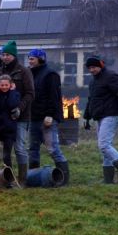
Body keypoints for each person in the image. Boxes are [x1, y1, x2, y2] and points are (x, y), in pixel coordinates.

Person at [0, 40, 34, 184]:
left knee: (19, 148)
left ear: (14, 56)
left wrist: (19, 108)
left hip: (20, 116)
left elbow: (30, 93)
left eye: (8, 54)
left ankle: (22, 179)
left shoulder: (24, 71)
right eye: (3, 54)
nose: (5, 57)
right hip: (0, 116)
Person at [27, 49, 70, 185]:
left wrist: (50, 115)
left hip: (47, 118)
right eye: (29, 58)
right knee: (33, 149)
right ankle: (33, 178)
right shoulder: (30, 75)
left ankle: (64, 178)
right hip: (33, 118)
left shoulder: (51, 75)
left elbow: (54, 97)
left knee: (53, 149)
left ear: (41, 59)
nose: (29, 61)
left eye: (32, 58)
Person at [83, 55, 118, 184]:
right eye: (89, 68)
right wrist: (86, 117)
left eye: (94, 67)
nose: (91, 70)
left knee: (104, 145)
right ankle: (108, 181)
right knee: (105, 149)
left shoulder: (111, 76)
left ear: (101, 65)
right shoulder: (93, 81)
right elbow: (91, 100)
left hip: (111, 114)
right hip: (99, 116)